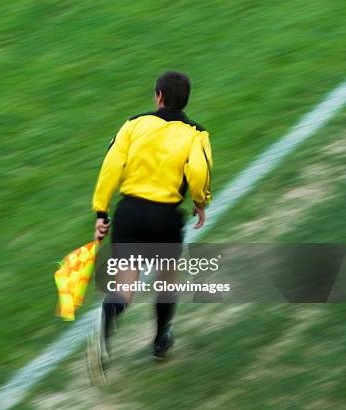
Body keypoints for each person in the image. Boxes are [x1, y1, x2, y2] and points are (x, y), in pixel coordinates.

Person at [87, 71, 213, 381]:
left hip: (130, 213)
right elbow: (198, 172)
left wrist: (101, 212)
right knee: (167, 281)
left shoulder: (133, 124)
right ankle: (160, 340)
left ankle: (104, 325)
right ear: (186, 100)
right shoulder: (196, 133)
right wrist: (200, 201)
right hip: (164, 218)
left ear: (158, 96)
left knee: (124, 288)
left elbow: (110, 167)